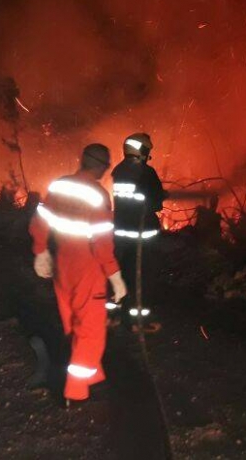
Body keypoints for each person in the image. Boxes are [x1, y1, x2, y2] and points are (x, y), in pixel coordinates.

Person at [30, 143, 126, 404]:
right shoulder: (97, 195)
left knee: (72, 323)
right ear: (104, 168)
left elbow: (40, 221)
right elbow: (102, 244)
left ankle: (91, 376)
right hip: (89, 268)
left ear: (81, 159)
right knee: (91, 332)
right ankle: (75, 392)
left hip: (63, 263)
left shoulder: (60, 185)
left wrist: (41, 251)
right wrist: (115, 276)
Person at [110, 133, 167, 331]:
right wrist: (161, 195)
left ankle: (115, 315)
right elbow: (156, 202)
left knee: (122, 273)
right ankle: (139, 322)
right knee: (143, 277)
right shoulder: (145, 172)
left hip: (121, 233)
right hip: (143, 235)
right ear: (142, 150)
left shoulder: (118, 171)